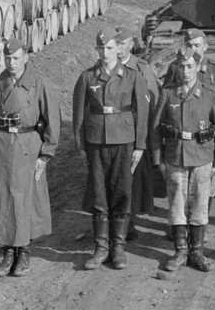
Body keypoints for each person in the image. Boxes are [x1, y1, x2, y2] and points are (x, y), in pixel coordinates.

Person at [0, 37, 60, 278]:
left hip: (28, 146)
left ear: (26, 58)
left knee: (24, 199)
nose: (11, 63)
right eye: (7, 58)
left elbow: (52, 121)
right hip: (2, 146)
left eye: (16, 58)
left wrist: (45, 156)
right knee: (2, 198)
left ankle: (24, 252)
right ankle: (7, 253)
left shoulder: (39, 83)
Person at [73, 27, 149, 270]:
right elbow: (77, 115)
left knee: (121, 193)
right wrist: (80, 146)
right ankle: (101, 247)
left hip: (124, 140)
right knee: (99, 194)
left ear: (119, 48)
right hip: (95, 142)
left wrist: (140, 145)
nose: (105, 52)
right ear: (96, 49)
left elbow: (142, 112)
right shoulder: (87, 77)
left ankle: (118, 247)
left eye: (109, 48)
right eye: (100, 48)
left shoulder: (132, 76)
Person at [152, 49, 215, 272]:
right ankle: (180, 251)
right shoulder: (168, 94)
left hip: (202, 157)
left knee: (200, 205)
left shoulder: (210, 94)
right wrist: (158, 160)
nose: (185, 71)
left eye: (190, 66)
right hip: (175, 156)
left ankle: (197, 252)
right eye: (181, 66)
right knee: (176, 205)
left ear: (198, 67)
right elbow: (155, 129)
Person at [115, 27, 160, 240]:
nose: (118, 48)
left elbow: (152, 102)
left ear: (131, 45)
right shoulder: (107, 68)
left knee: (133, 179)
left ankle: (129, 222)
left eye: (122, 43)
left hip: (134, 133)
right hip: (113, 134)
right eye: (116, 43)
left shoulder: (141, 68)